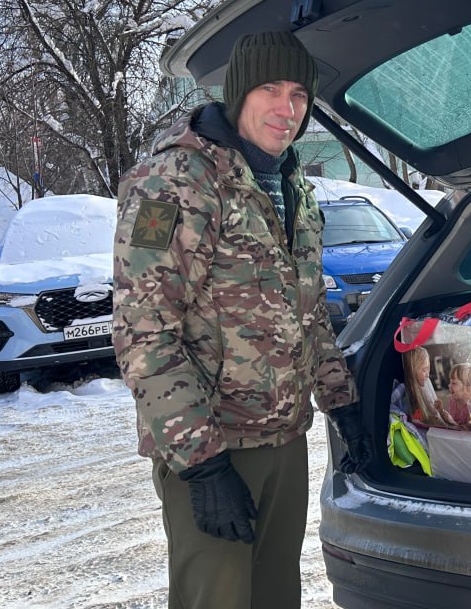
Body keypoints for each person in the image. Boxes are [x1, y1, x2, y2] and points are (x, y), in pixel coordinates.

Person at [112, 30, 372, 609]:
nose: (288, 109)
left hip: (284, 439)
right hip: (214, 448)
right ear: (238, 94)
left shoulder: (290, 185)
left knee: (277, 596)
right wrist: (203, 466)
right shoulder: (174, 182)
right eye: (270, 89)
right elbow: (143, 332)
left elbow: (306, 314)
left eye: (300, 94)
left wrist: (342, 402)